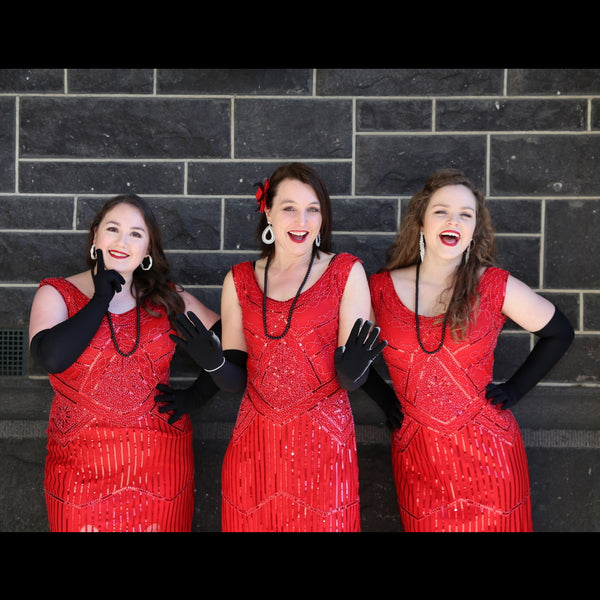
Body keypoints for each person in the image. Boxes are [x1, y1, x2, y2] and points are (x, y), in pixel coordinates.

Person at [171, 163, 386, 531]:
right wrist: (213, 364)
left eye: (313, 209)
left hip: (324, 450)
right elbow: (236, 378)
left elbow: (351, 377)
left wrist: (354, 373)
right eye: (289, 207)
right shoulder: (238, 279)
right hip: (254, 449)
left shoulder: (346, 272)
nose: (301, 219)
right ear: (268, 211)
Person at [366, 169, 574, 532]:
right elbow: (343, 350)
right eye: (441, 211)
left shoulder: (493, 285)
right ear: (420, 222)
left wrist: (514, 389)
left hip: (491, 460)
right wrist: (386, 401)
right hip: (418, 460)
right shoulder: (379, 289)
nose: (453, 220)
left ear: (475, 229)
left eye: (466, 214)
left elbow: (560, 333)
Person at [29, 194, 220, 532]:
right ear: (95, 237)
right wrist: (101, 296)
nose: (122, 241)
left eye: (136, 233)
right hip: (80, 474)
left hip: (160, 471)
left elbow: (235, 344)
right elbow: (51, 357)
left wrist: (197, 395)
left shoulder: (166, 299)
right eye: (113, 229)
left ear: (147, 250)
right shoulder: (57, 293)